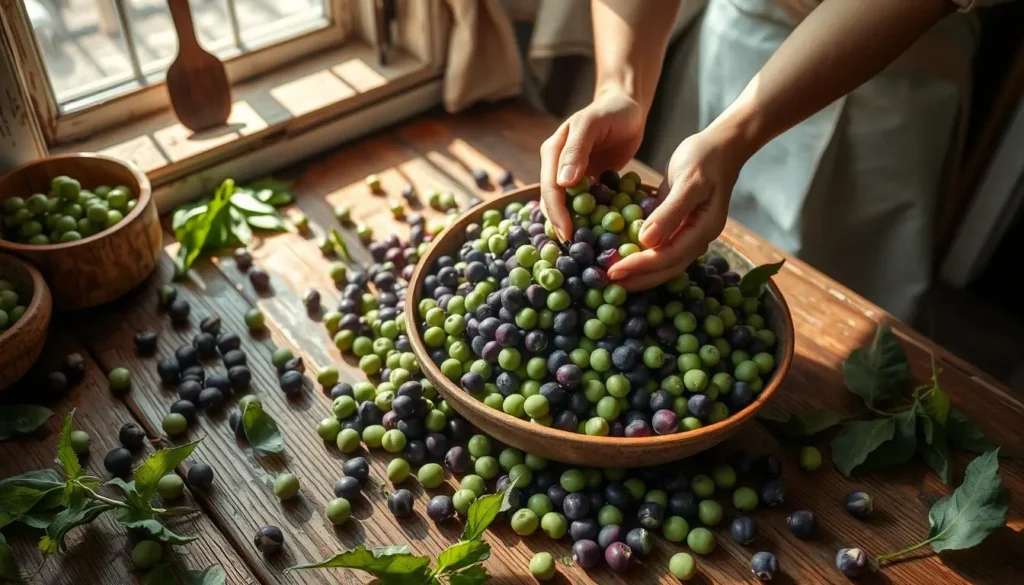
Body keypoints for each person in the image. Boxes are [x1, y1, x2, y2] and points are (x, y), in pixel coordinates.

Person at [539, 0, 1003, 320]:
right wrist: (620, 86)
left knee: (852, 294)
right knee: (697, 251)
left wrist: (734, 135)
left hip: (891, 59)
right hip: (744, 26)